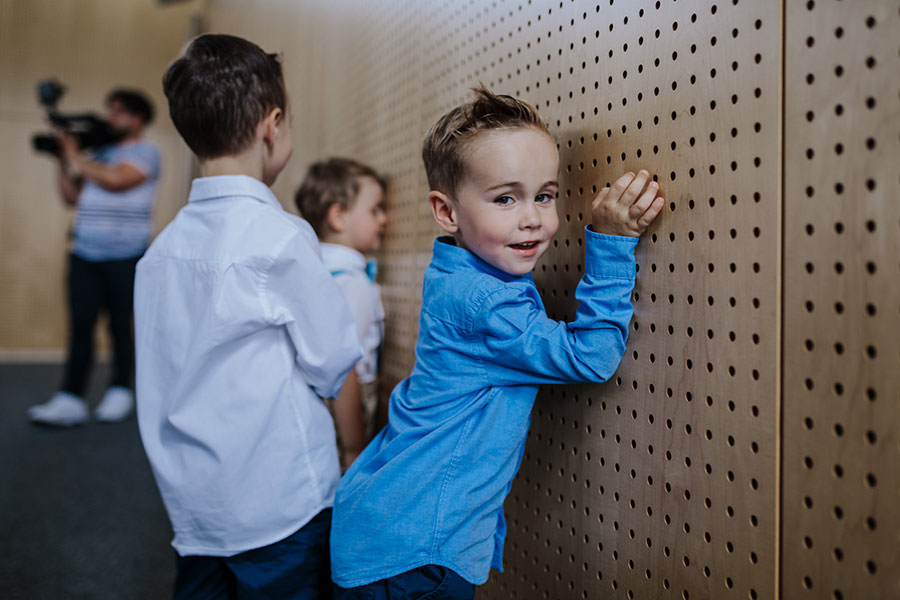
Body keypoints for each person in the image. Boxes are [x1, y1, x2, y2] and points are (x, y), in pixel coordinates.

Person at [330, 87, 665, 599]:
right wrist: (611, 242)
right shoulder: (486, 301)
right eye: (505, 198)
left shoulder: (461, 274)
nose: (531, 217)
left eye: (544, 196)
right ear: (446, 212)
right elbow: (591, 357)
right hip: (414, 551)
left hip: (393, 529)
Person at [133, 34, 362, 599]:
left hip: (194, 511)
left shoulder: (158, 254)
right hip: (282, 505)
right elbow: (335, 366)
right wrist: (353, 453)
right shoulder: (279, 239)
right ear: (272, 125)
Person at [27, 89, 160, 426]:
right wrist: (62, 160)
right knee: (81, 326)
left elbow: (117, 181)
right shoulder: (98, 154)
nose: (110, 118)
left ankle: (120, 390)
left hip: (126, 255)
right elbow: (71, 196)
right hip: (84, 253)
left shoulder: (147, 152)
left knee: (120, 326)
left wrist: (75, 156)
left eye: (118, 112)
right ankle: (71, 397)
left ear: (137, 118)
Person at [295, 158, 387, 468]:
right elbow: (346, 367)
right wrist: (354, 448)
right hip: (347, 409)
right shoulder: (352, 281)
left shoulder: (314, 271)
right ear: (338, 217)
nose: (384, 219)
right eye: (375, 209)